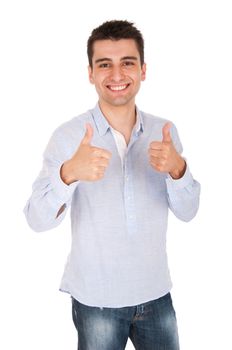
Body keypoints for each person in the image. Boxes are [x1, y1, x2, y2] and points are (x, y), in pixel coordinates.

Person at [24, 20, 200, 350]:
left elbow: (189, 213)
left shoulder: (165, 131)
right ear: (90, 72)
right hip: (96, 299)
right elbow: (36, 220)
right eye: (105, 64)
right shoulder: (68, 136)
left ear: (143, 70)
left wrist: (178, 169)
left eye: (127, 63)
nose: (117, 75)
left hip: (157, 293)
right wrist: (68, 173)